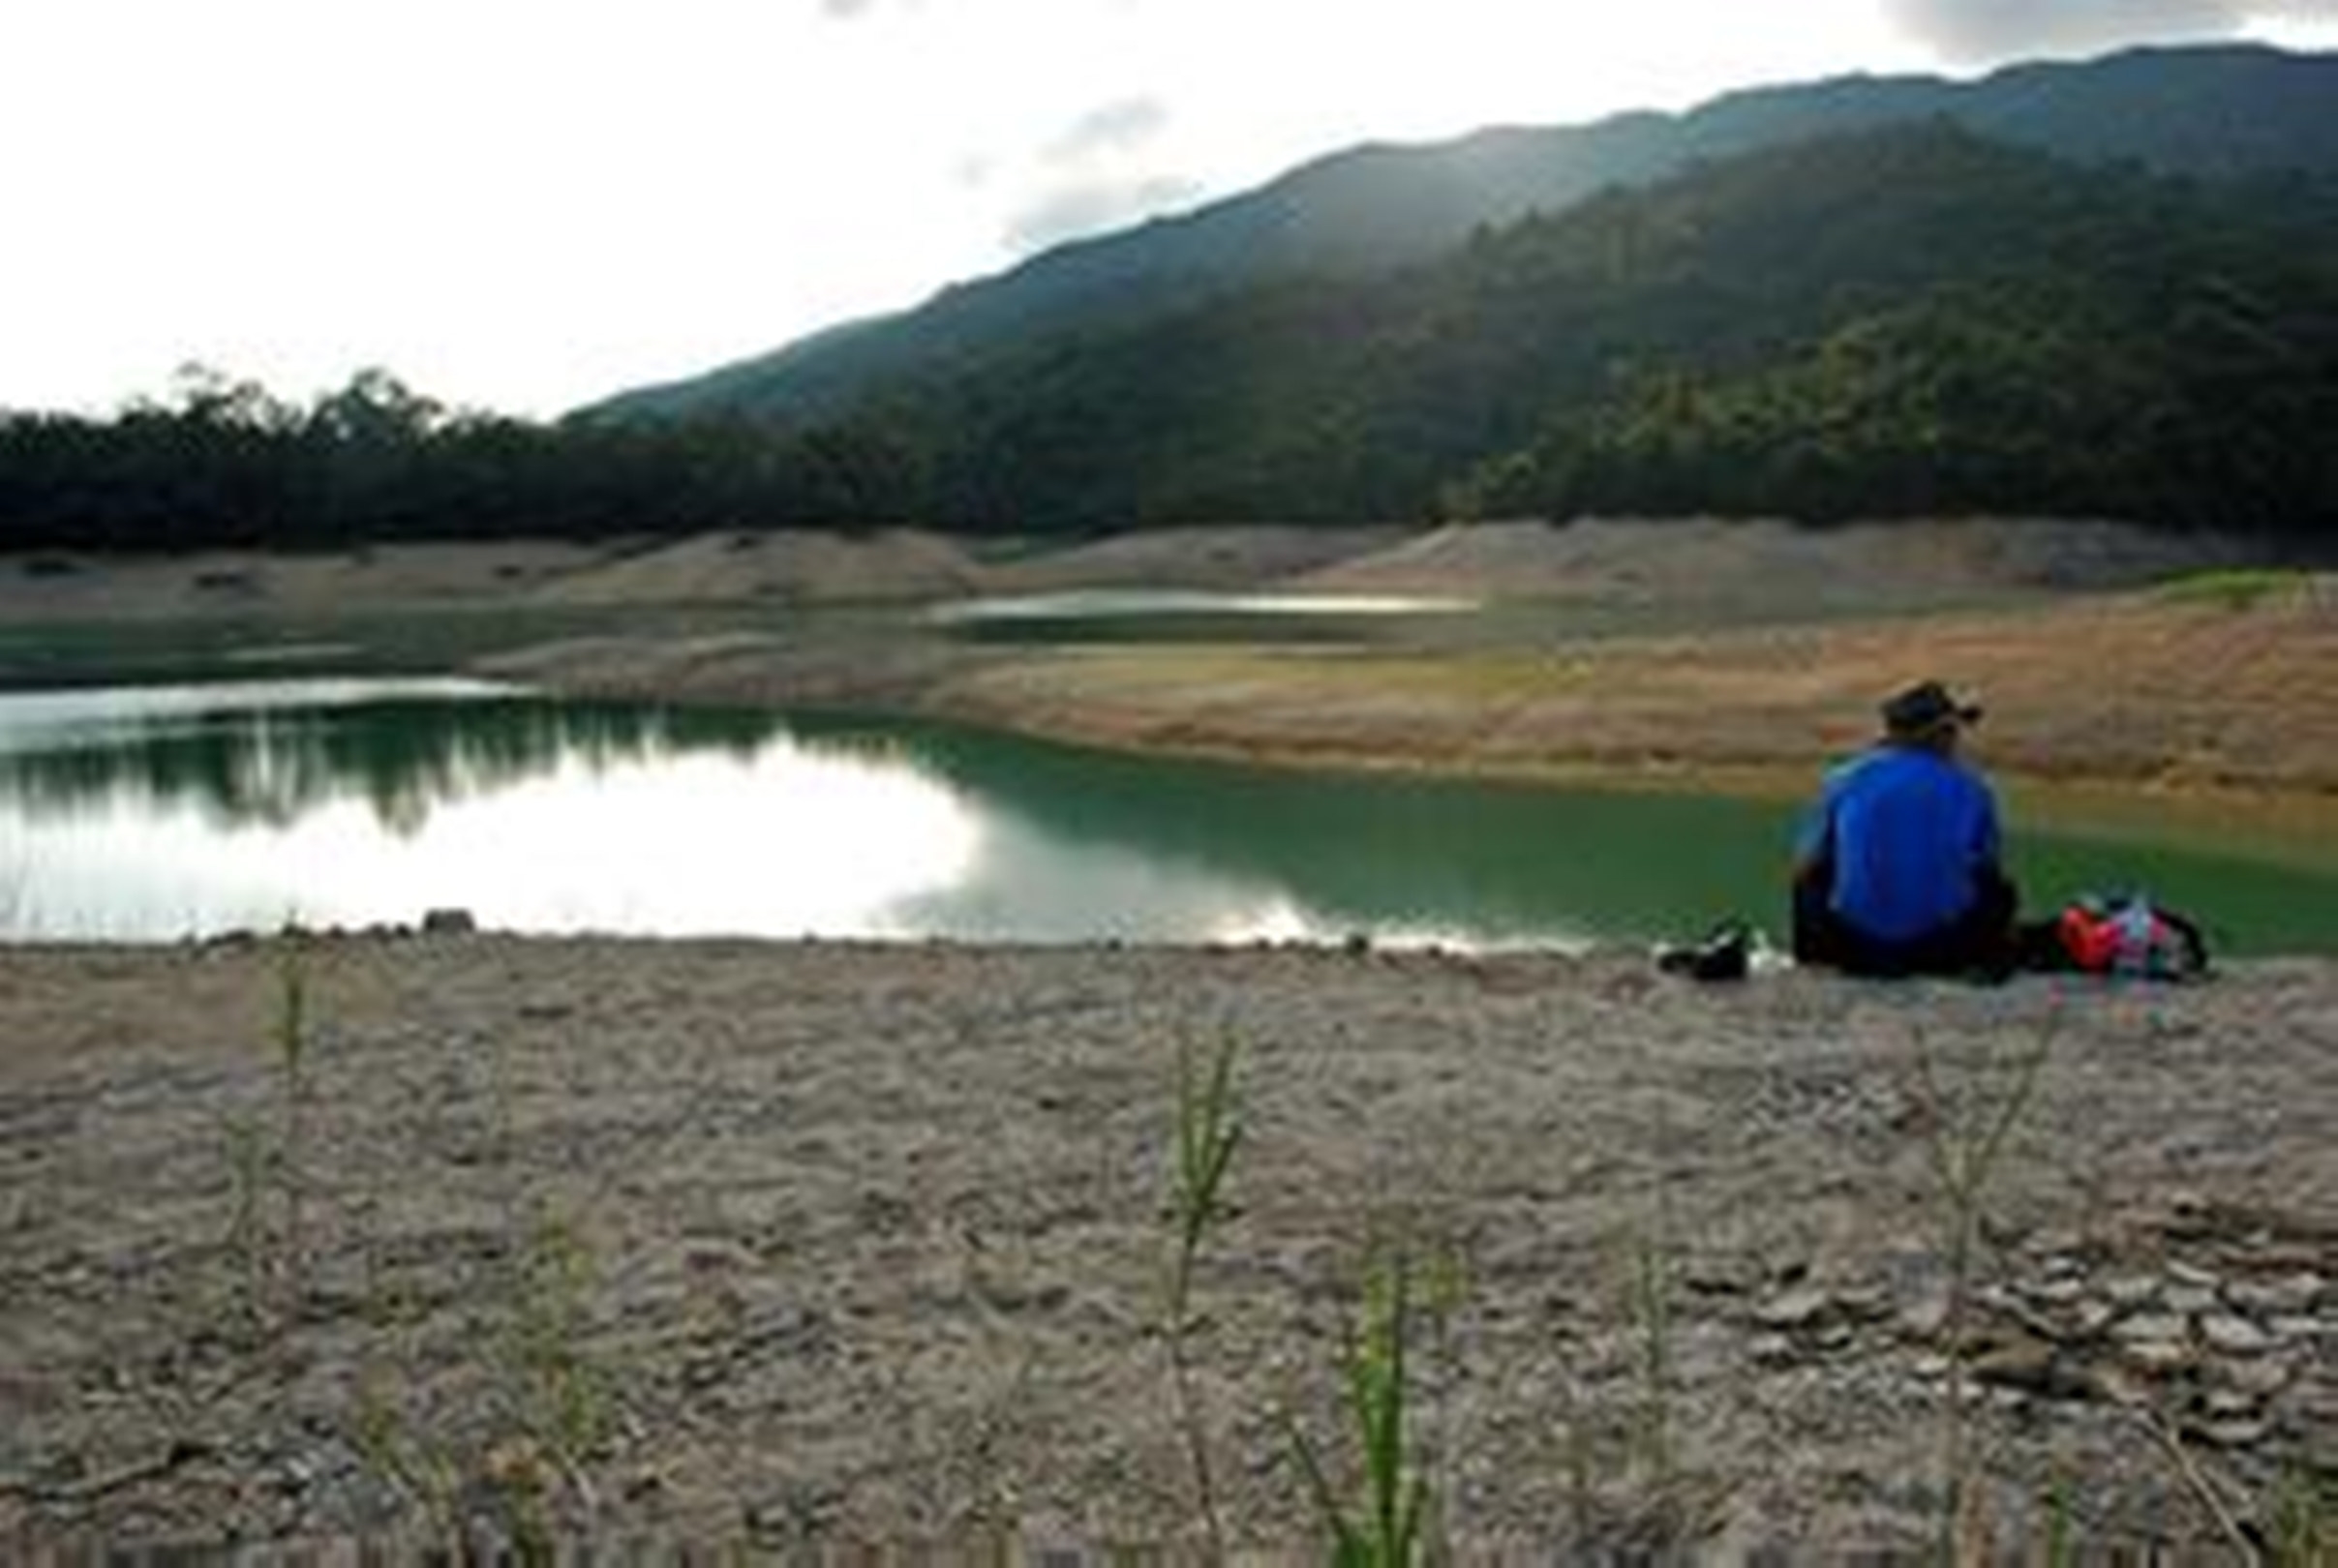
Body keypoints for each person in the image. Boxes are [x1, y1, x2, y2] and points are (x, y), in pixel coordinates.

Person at [1791, 680, 2017, 978]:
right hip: (1944, 949)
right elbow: (1990, 864)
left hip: (1853, 949)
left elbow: (1809, 862)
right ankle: (1985, 961)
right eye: (1951, 730)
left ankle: (1813, 961)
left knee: (1810, 877)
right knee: (1998, 889)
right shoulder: (1975, 787)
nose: (1956, 739)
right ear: (1936, 734)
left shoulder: (1843, 779)